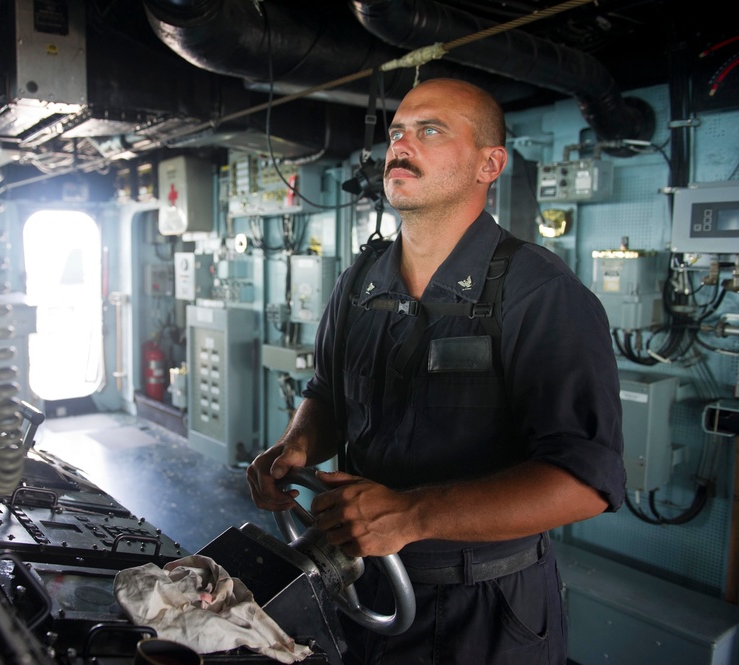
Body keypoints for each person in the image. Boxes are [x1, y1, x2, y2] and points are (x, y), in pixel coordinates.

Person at [246, 78, 626, 664]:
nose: (401, 146)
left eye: (430, 131)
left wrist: (413, 514)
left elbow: (584, 482)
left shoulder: (541, 295)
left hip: (486, 605)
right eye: (397, 132)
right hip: (362, 580)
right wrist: (297, 445)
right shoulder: (360, 283)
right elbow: (327, 394)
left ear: (489, 164)